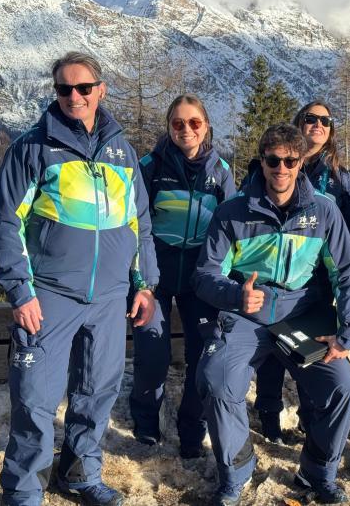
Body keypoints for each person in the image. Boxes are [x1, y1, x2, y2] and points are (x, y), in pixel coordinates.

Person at [0, 51, 158, 506]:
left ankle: (80, 474)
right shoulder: (32, 148)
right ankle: (24, 491)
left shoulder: (122, 151)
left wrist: (144, 285)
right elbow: (6, 223)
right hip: (49, 295)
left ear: (101, 90)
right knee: (35, 397)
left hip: (110, 297)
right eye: (64, 88)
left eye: (84, 87)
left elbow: (139, 223)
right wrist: (20, 291)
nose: (74, 96)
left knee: (97, 393)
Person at [193, 124, 350, 506]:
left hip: (301, 314)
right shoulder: (232, 212)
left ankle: (317, 472)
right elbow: (205, 273)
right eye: (273, 160)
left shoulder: (324, 211)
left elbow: (348, 273)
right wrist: (235, 294)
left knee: (343, 386)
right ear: (262, 161)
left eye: (290, 161)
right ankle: (236, 472)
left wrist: (348, 332)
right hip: (246, 315)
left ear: (301, 162)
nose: (281, 168)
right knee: (217, 380)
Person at [129, 94, 236, 457]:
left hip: (200, 275)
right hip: (155, 272)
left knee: (202, 356)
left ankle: (192, 431)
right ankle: (146, 425)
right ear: (168, 127)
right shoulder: (150, 166)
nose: (186, 129)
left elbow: (231, 230)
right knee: (151, 353)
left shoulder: (220, 171)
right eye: (178, 123)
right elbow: (136, 224)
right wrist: (141, 279)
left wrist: (225, 280)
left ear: (206, 126)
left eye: (194, 122)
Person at [253, 100, 350, 443]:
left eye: (325, 120)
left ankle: (311, 418)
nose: (318, 124)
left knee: (310, 350)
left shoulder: (339, 177)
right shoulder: (272, 165)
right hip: (274, 279)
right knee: (272, 353)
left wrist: (335, 257)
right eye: (310, 118)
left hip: (317, 285)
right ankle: (269, 415)